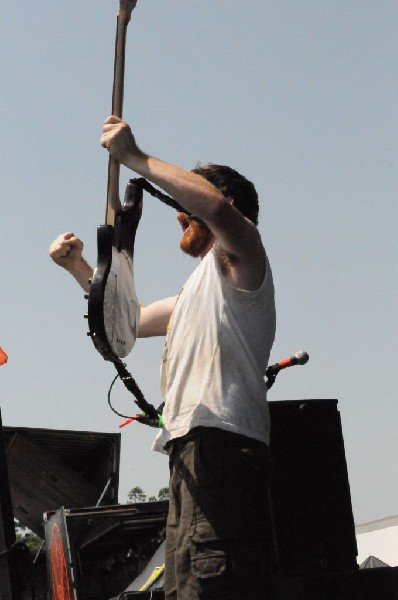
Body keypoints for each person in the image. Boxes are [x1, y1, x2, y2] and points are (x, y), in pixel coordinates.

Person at [49, 115, 277, 599]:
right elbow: (125, 323)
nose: (178, 213)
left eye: (184, 204)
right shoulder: (195, 291)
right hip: (191, 453)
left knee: (211, 585)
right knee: (184, 588)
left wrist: (136, 158)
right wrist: (78, 269)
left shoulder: (245, 257)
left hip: (222, 447)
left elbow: (212, 203)